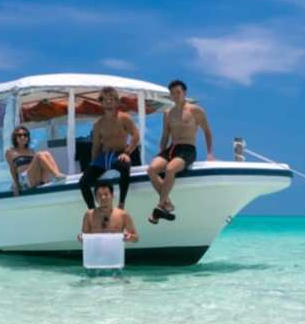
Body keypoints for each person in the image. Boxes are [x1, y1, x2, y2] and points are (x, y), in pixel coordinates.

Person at [146, 79, 214, 223]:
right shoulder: (168, 113)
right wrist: (160, 153)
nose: (176, 95)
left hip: (187, 149)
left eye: (178, 92)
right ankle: (167, 203)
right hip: (172, 148)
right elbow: (165, 135)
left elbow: (207, 132)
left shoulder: (196, 110)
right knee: (151, 169)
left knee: (170, 169)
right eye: (173, 93)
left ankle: (160, 206)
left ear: (184, 93)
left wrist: (209, 154)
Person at [79, 86, 140, 209]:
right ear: (101, 102)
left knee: (124, 167)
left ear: (117, 101)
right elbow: (95, 146)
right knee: (83, 182)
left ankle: (121, 203)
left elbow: (136, 136)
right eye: (105, 99)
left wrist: (127, 153)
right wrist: (92, 165)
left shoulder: (124, 118)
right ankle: (92, 209)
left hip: (119, 154)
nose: (108, 101)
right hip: (103, 158)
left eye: (112, 99)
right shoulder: (98, 124)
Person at [5, 127, 63, 195]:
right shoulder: (10, 152)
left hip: (36, 178)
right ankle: (57, 176)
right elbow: (12, 169)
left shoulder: (31, 151)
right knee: (39, 155)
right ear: (15, 137)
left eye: (25, 135)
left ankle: (57, 175)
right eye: (20, 135)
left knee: (46, 154)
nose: (23, 137)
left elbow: (38, 165)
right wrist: (16, 184)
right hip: (24, 180)